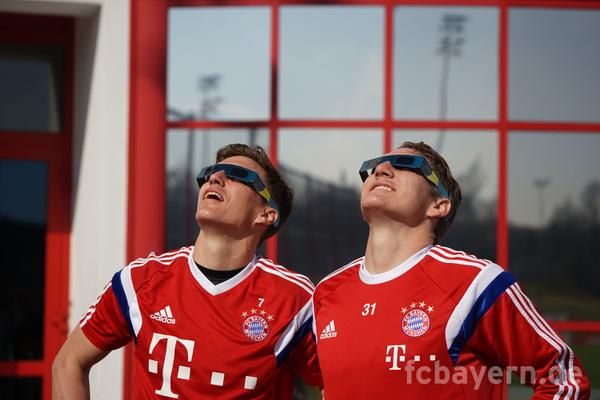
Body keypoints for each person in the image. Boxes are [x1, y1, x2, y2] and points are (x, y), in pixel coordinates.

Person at [313, 141, 590, 399]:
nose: (381, 169)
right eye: (373, 167)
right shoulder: (326, 292)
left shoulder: (476, 283)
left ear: (439, 205)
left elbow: (565, 380)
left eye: (406, 164)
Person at [53, 143, 321, 399]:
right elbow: (68, 362)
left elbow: (332, 383)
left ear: (266, 214)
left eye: (237, 175)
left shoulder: (295, 299)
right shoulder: (140, 281)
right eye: (209, 173)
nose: (214, 178)